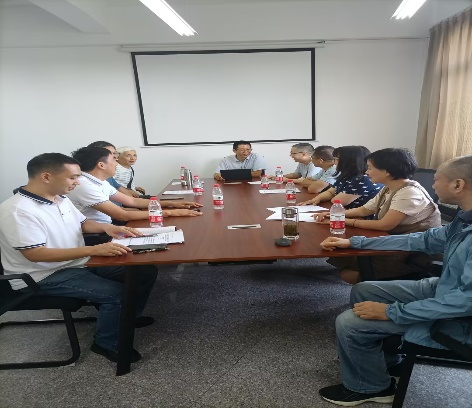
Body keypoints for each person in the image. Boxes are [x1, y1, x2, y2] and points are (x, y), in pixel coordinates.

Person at [317, 155, 472, 406]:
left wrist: (392, 312)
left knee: (350, 322)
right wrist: (355, 242)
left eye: (436, 180)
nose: (432, 185)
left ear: (458, 184)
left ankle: (370, 387)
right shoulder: (465, 219)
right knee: (365, 290)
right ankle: (385, 362)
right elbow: (422, 239)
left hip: (463, 321)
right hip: (448, 290)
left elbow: (466, 302)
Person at [0, 153, 158, 363]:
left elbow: (83, 223)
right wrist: (94, 250)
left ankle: (128, 317)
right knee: (116, 294)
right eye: (73, 177)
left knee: (143, 270)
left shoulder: (59, 198)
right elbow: (35, 254)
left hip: (77, 263)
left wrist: (108, 228)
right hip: (43, 275)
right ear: (46, 177)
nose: (78, 182)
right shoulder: (18, 210)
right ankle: (106, 343)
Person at [314, 148, 442, 283]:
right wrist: (334, 214)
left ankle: (385, 283)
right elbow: (364, 210)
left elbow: (384, 225)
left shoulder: (409, 192)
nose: (366, 172)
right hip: (392, 240)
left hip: (410, 251)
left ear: (387, 171)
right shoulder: (388, 187)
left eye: (370, 168)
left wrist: (344, 220)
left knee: (347, 273)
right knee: (341, 256)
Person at [69, 146, 202, 224]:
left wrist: (172, 204)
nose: (116, 163)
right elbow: (121, 215)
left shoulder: (99, 181)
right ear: (101, 165)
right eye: (114, 159)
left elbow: (132, 201)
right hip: (97, 235)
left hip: (107, 228)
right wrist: (172, 212)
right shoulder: (84, 184)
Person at [298, 146, 382, 209]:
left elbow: (338, 201)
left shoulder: (363, 179)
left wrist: (333, 195)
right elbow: (330, 192)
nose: (334, 162)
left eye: (336, 159)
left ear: (348, 161)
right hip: (345, 213)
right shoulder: (347, 175)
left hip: (361, 219)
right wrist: (317, 199)